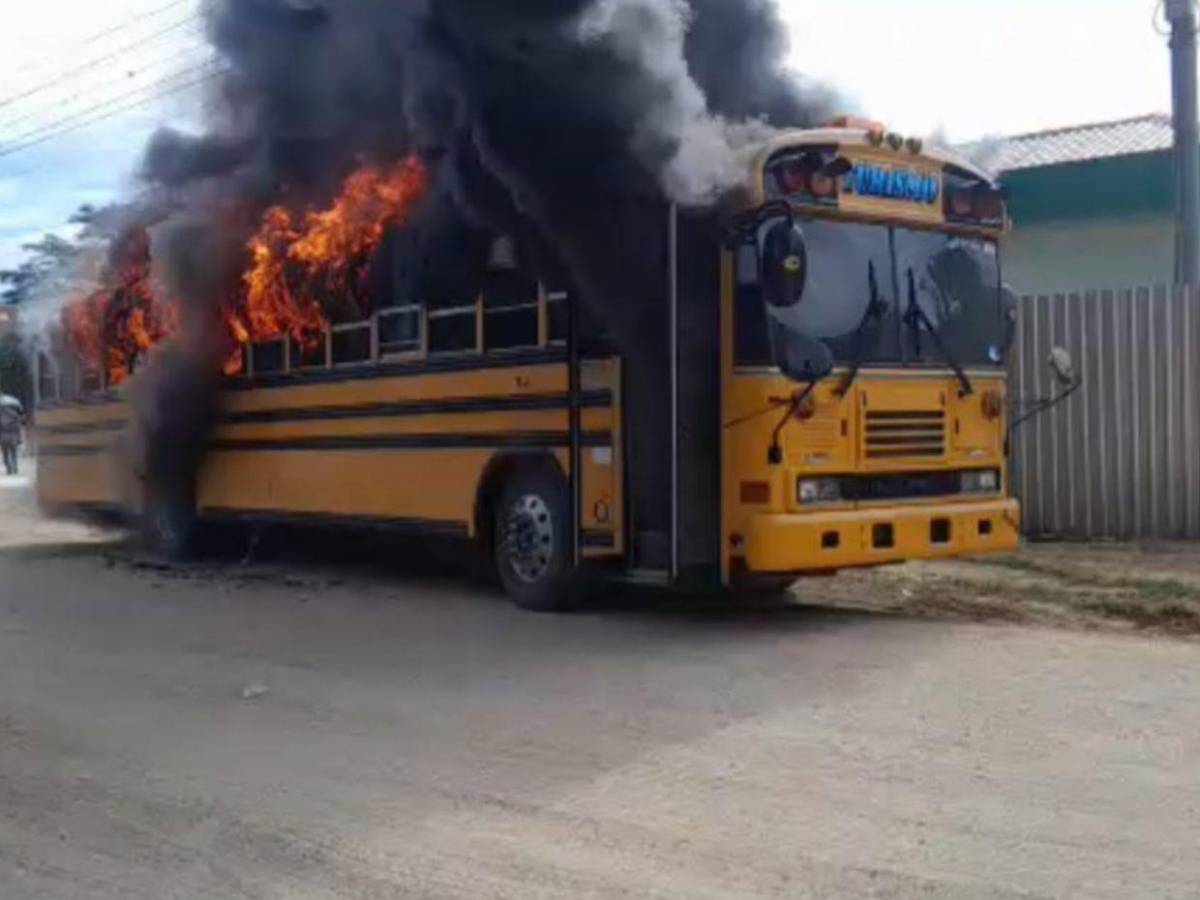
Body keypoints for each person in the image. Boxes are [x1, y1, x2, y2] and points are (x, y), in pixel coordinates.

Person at [0, 395, 24, 476]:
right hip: (13, 436)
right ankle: (15, 467)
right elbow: (18, 428)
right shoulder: (15, 415)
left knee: (5, 454)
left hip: (3, 437)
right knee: (14, 453)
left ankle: (9, 469)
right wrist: (19, 438)